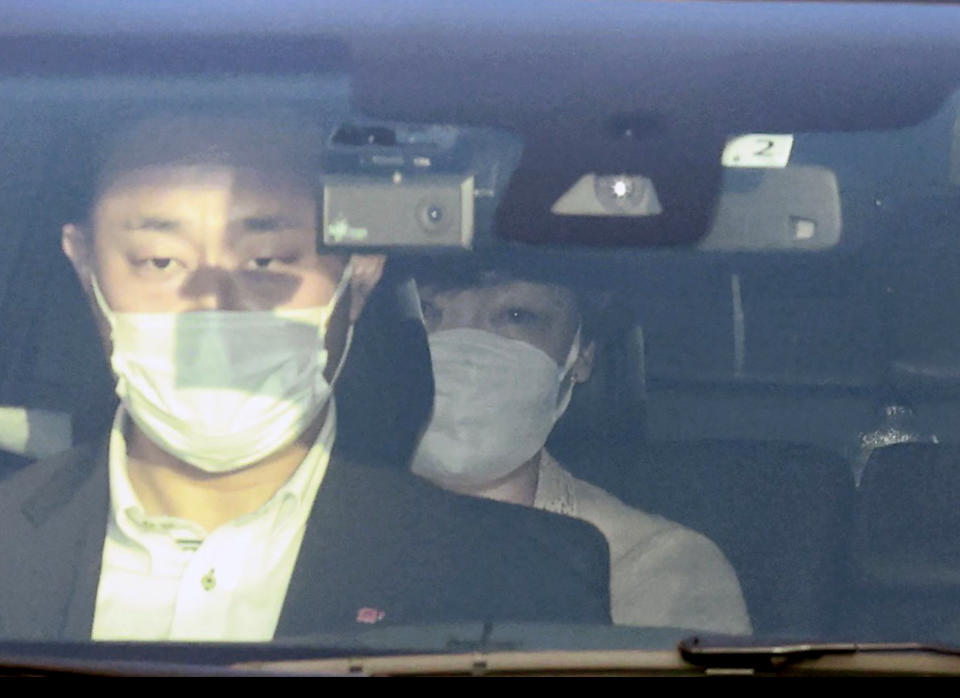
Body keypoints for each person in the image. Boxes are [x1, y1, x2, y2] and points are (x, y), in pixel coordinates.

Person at [0, 113, 612, 641]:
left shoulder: (518, 583)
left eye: (265, 261)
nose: (214, 304)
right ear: (85, 265)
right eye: (161, 262)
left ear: (361, 270)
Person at [409, 256, 752, 634]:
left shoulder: (654, 566)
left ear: (581, 353)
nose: (465, 347)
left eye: (517, 316)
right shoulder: (337, 537)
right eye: (427, 311)